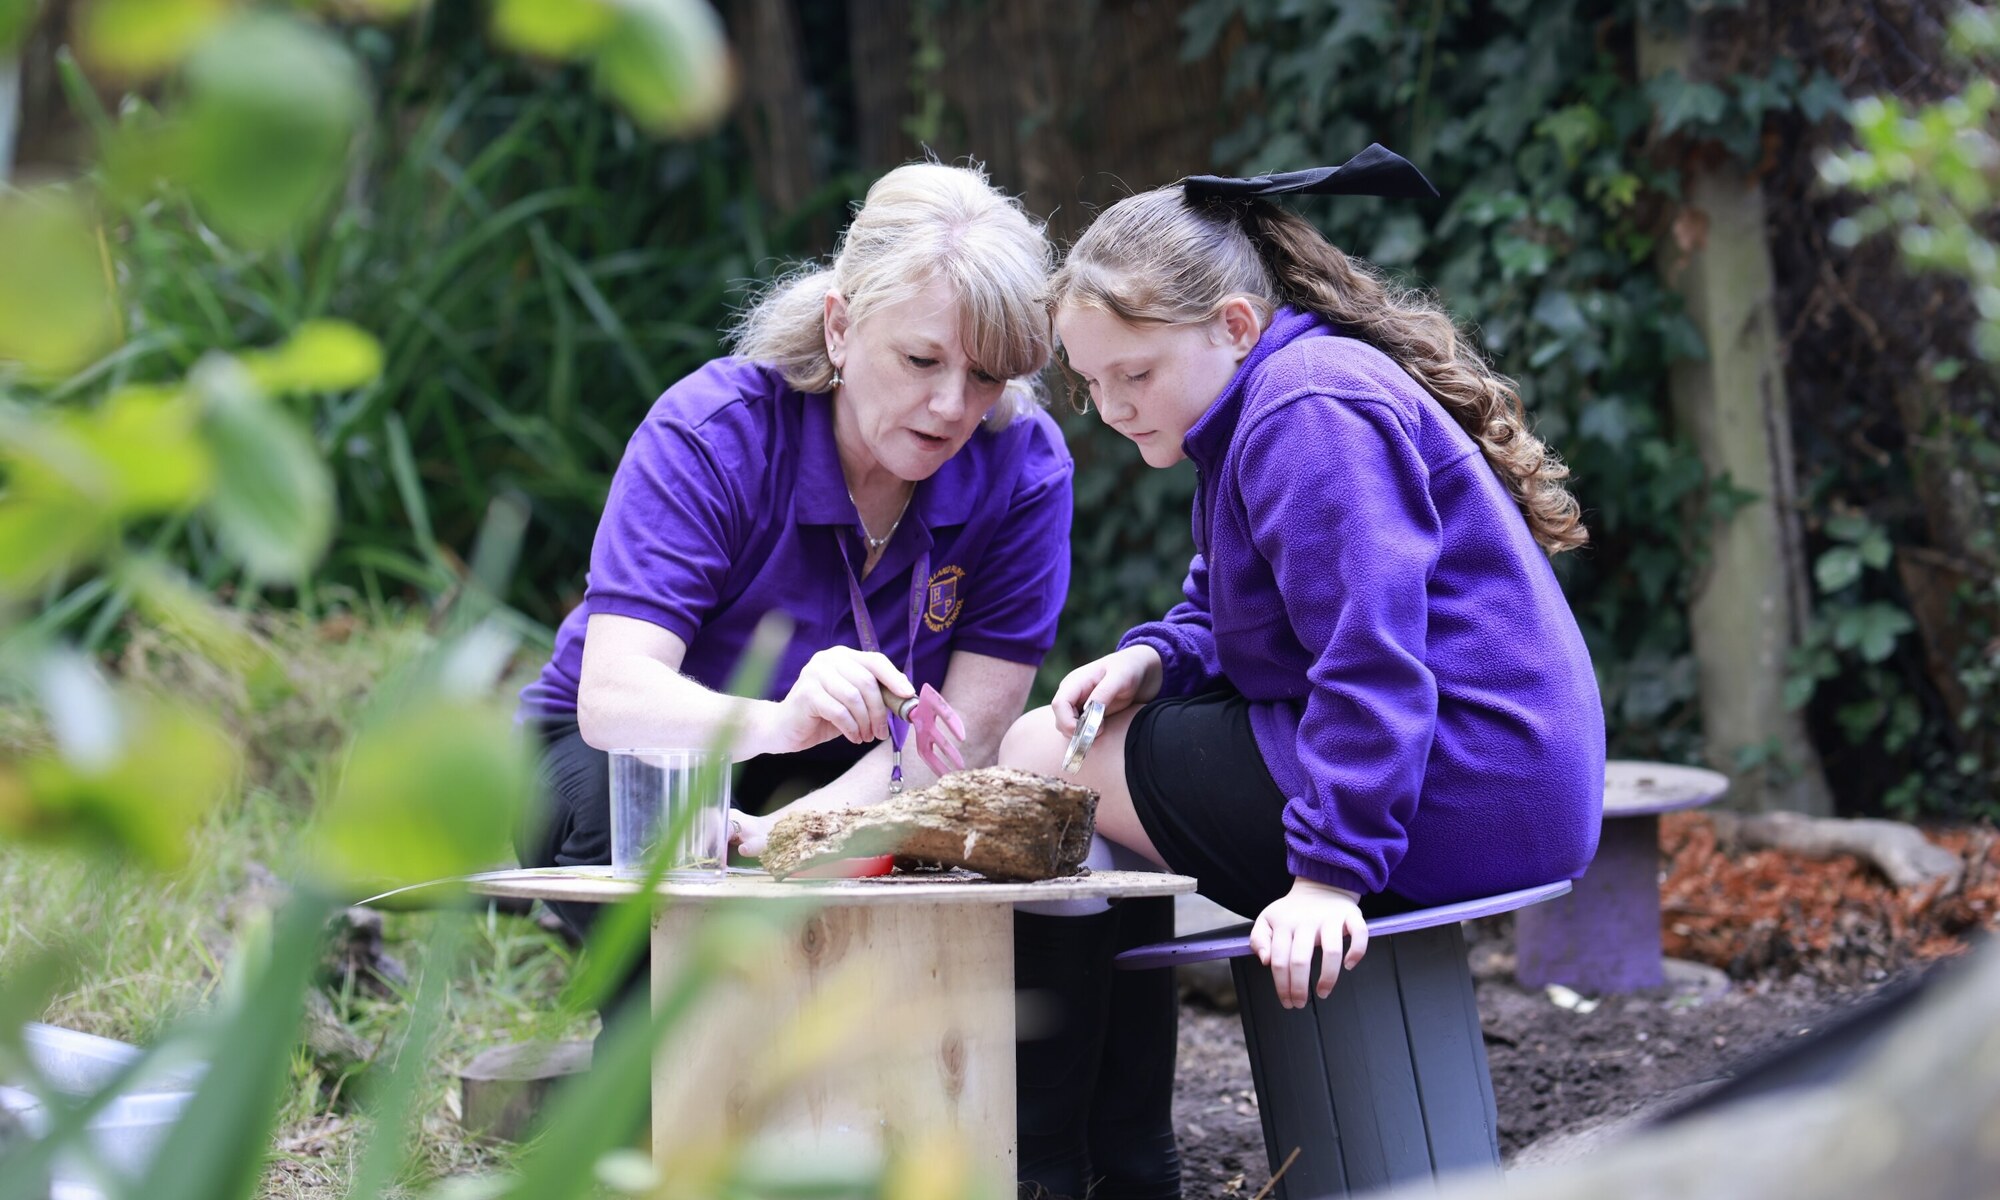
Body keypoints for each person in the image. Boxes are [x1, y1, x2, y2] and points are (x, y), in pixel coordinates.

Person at [998, 146, 1606, 1198]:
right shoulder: (1269, 397)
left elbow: (1371, 658)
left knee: (1037, 760)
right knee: (1062, 751)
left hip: (1461, 784)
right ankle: (1118, 1159)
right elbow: (1247, 606)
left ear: (1231, 324)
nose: (1115, 407)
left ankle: (1075, 1166)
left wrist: (1328, 873)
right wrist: (1156, 655)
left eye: (1133, 375)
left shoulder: (1301, 412)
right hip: (1482, 780)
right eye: (1091, 386)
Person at [515, 158, 1073, 944]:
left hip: (859, 776)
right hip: (627, 761)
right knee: (667, 857)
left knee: (1025, 904)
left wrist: (794, 834)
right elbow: (612, 701)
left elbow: (967, 737)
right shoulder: (714, 434)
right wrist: (782, 721)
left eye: (985, 375)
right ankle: (651, 1064)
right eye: (921, 361)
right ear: (840, 327)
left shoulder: (1022, 464)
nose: (952, 406)